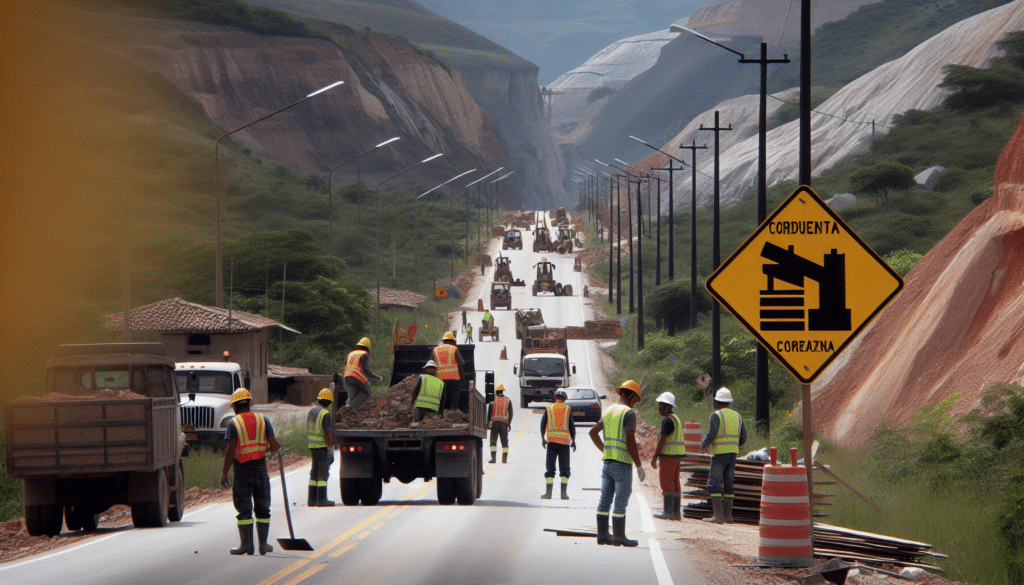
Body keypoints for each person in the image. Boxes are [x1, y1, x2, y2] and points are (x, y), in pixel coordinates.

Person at [220, 388, 282, 556]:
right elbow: (274, 446)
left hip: (242, 472)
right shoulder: (264, 420)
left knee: (244, 509)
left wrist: (224, 473)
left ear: (234, 407)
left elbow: (230, 451)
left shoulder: (233, 424)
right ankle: (263, 544)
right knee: (263, 507)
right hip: (260, 471)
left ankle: (246, 545)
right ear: (249, 404)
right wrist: (274, 446)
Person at [589, 380, 645, 547]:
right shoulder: (628, 414)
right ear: (631, 395)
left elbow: (593, 432)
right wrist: (639, 465)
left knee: (605, 499)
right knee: (621, 500)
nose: (635, 403)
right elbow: (629, 439)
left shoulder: (608, 411)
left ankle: (603, 535)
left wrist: (605, 450)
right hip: (622, 464)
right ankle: (619, 537)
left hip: (607, 463)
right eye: (636, 399)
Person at [701, 387, 747, 524]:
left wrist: (703, 445)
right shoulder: (737, 416)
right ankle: (728, 517)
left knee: (713, 483)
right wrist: (734, 445)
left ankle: (718, 517)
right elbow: (743, 437)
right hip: (733, 453)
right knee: (728, 484)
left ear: (717, 401)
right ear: (729, 401)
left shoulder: (717, 415)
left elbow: (712, 434)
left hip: (720, 454)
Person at [651, 392, 685, 520]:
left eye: (660, 406)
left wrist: (654, 458)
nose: (659, 408)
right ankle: (676, 513)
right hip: (676, 457)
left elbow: (662, 441)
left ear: (667, 407)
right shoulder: (676, 419)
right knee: (675, 483)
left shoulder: (668, 421)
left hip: (668, 456)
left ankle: (668, 512)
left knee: (667, 483)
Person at [541, 389, 576, 500]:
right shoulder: (568, 409)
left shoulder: (549, 408)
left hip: (551, 443)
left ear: (555, 397)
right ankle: (563, 494)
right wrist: (574, 440)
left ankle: (548, 494)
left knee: (550, 468)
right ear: (564, 399)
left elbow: (543, 423)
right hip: (564, 444)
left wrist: (542, 438)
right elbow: (571, 426)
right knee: (565, 469)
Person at [306, 388, 335, 507]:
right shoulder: (325, 414)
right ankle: (322, 500)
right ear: (328, 402)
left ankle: (312, 500)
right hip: (322, 446)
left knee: (314, 473)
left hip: (312, 445)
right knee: (323, 473)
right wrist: (330, 448)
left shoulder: (312, 411)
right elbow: (327, 432)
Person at [343, 337, 383, 411]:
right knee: (367, 392)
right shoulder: (365, 354)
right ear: (368, 348)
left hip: (347, 376)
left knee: (352, 398)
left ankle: (348, 412)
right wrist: (377, 377)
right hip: (357, 376)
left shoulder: (350, 353)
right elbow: (366, 370)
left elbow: (346, 365)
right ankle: (352, 407)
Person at [432, 332, 466, 412]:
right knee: (454, 396)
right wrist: (462, 377)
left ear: (443, 341)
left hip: (440, 379)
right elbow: (461, 364)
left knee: (442, 397)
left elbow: (431, 365)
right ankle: (453, 412)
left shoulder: (435, 350)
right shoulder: (454, 349)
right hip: (454, 378)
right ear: (452, 341)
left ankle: (440, 413)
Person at [486, 384, 513, 463]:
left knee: (493, 441)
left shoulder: (492, 400)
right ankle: (504, 460)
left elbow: (489, 413)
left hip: (494, 424)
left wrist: (488, 423)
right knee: (504, 442)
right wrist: (509, 423)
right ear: (502, 391)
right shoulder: (508, 400)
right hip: (504, 424)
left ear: (496, 391)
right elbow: (511, 413)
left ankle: (493, 459)